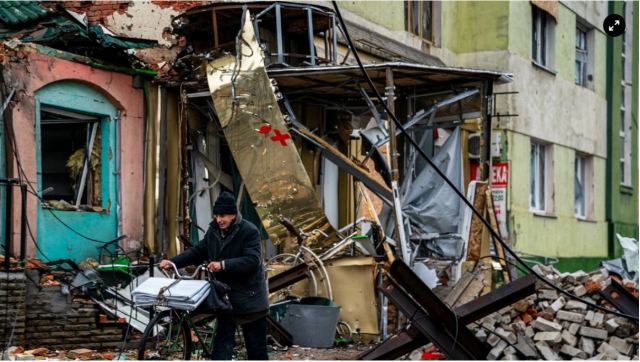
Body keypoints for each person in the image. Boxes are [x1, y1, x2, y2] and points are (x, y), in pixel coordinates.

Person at [159, 191, 269, 360]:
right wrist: (172, 262)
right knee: (222, 346)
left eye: (223, 215)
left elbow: (252, 260)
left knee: (256, 351)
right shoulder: (214, 231)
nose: (219, 220)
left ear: (233, 214)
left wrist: (222, 265)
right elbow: (198, 252)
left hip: (249, 299)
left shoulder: (249, 231)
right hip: (226, 298)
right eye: (217, 215)